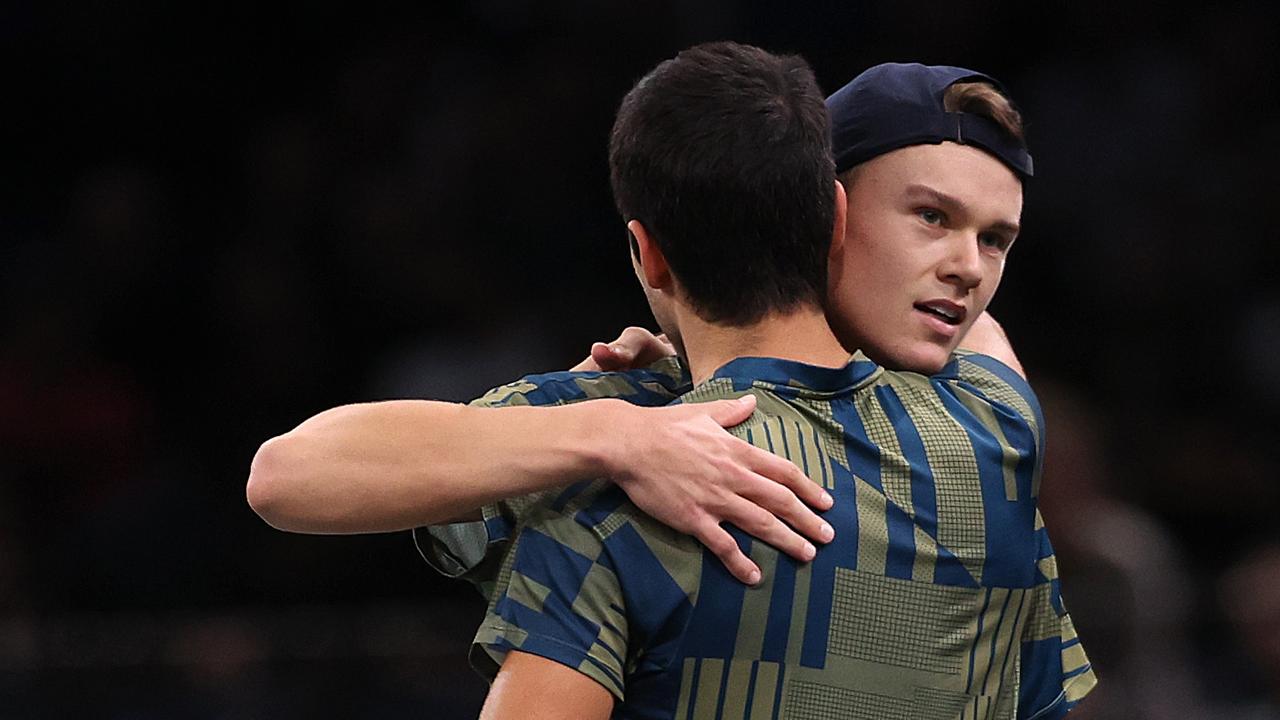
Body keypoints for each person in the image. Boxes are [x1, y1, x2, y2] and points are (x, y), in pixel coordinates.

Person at [462, 43, 1090, 719]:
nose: (969, 269)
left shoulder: (602, 496)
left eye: (995, 240)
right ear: (831, 215)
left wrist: (608, 425)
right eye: (931, 217)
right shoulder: (998, 427)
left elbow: (331, 469)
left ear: (647, 253)